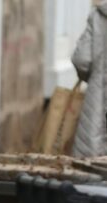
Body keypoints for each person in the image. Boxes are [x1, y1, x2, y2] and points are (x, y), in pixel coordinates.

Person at [72, 2, 107, 158]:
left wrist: (96, 79)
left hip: (98, 106)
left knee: (92, 171)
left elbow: (82, 60)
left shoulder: (99, 15)